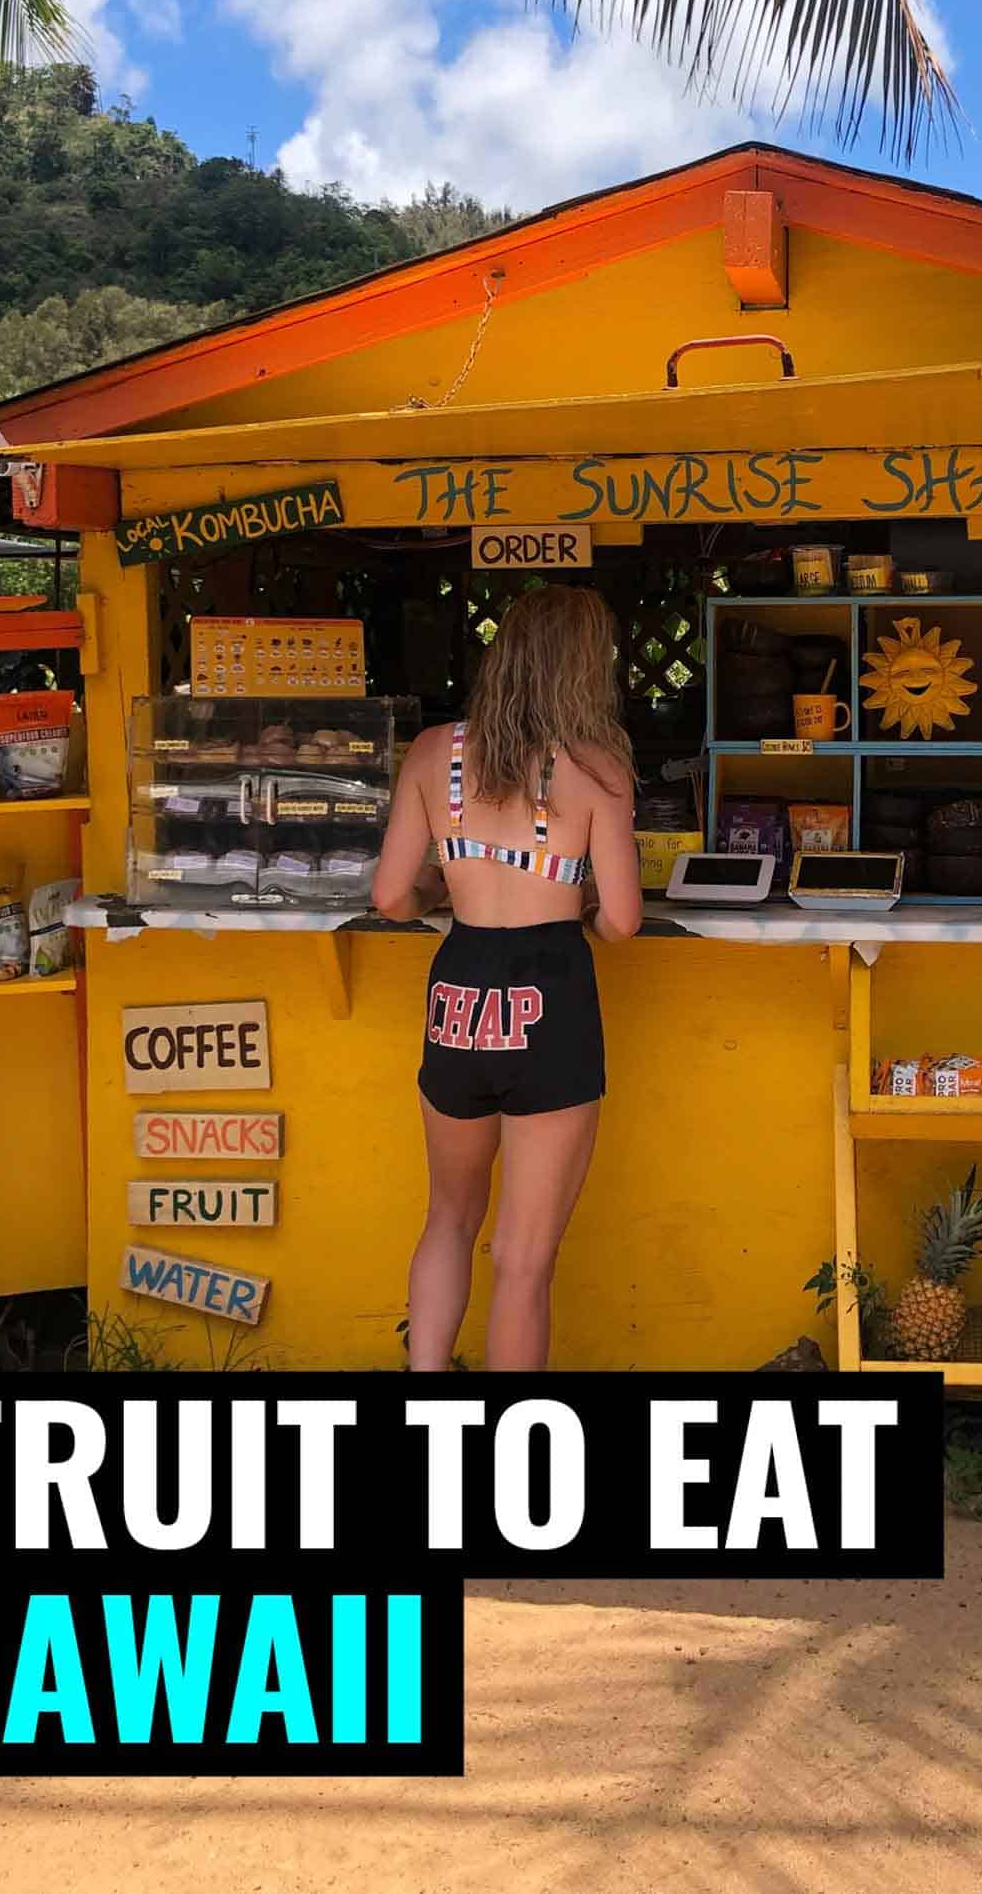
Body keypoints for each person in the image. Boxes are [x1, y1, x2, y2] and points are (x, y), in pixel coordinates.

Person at [371, 583, 642, 1372]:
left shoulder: (433, 753)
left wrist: (438, 888)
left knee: (449, 1219)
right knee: (522, 1262)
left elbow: (391, 896)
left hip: (458, 988)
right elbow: (622, 920)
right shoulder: (599, 768)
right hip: (549, 992)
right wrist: (583, 906)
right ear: (589, 669)